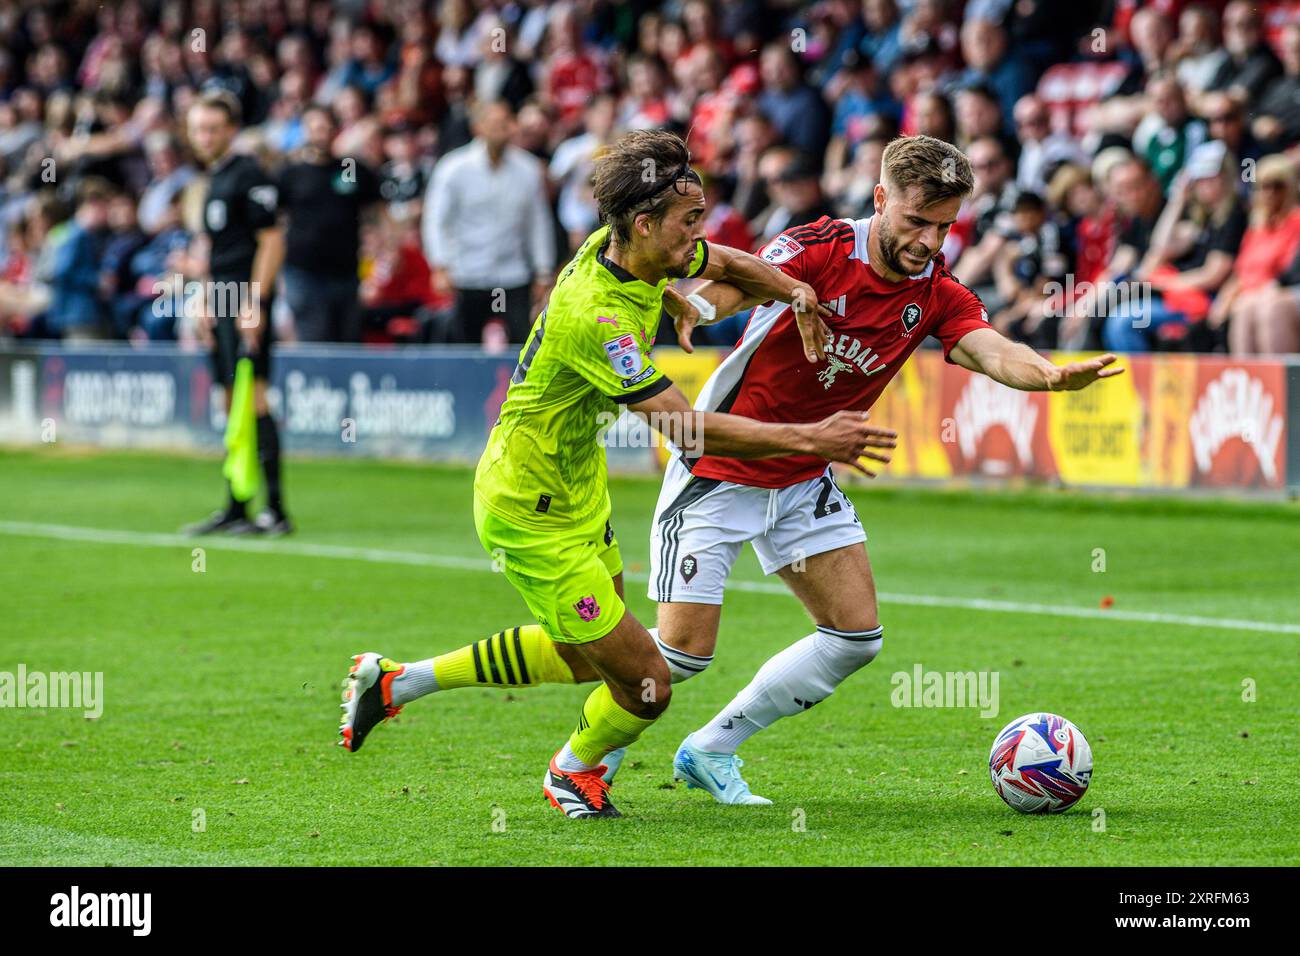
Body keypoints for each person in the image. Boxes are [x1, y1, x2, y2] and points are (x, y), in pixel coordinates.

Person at [337, 130, 896, 819]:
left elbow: (723, 260)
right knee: (647, 687)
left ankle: (396, 684)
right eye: (689, 220)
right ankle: (572, 771)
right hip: (526, 507)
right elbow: (689, 430)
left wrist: (796, 292)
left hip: (575, 489)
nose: (700, 233)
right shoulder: (596, 317)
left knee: (584, 661)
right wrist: (814, 437)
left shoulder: (638, 248)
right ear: (643, 224)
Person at [181, 90, 290, 536]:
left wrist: (255, 302)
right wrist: (207, 300)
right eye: (197, 129)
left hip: (245, 299)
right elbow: (216, 252)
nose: (203, 137)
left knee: (255, 397)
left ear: (231, 130)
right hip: (222, 298)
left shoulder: (248, 175)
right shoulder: (214, 179)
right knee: (231, 402)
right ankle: (237, 505)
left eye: (211, 128)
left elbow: (271, 240)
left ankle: (277, 511)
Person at [421, 98, 555, 344]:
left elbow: (538, 222)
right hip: (467, 274)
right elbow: (436, 220)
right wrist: (439, 266)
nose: (502, 129)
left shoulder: (528, 169)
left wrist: (543, 271)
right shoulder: (453, 168)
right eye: (495, 123)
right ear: (477, 127)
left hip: (513, 275)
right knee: (465, 346)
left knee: (522, 347)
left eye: (506, 122)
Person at [277, 104, 381, 343]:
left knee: (348, 341)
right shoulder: (291, 173)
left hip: (346, 272)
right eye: (313, 128)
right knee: (315, 340)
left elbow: (375, 212)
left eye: (325, 127)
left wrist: (377, 257)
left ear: (336, 130)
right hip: (303, 273)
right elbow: (277, 221)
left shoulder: (349, 168)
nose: (319, 133)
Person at [1209, 155, 1300, 354]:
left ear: (1290, 187)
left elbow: (1287, 272)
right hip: (1253, 294)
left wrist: (1256, 292)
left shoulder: (1296, 221)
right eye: (1263, 186)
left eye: (1277, 186)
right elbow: (1241, 271)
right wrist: (1225, 298)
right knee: (1243, 308)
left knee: (1268, 307)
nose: (1269, 193)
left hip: (1278, 291)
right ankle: (1251, 379)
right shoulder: (1257, 227)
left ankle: (1283, 381)